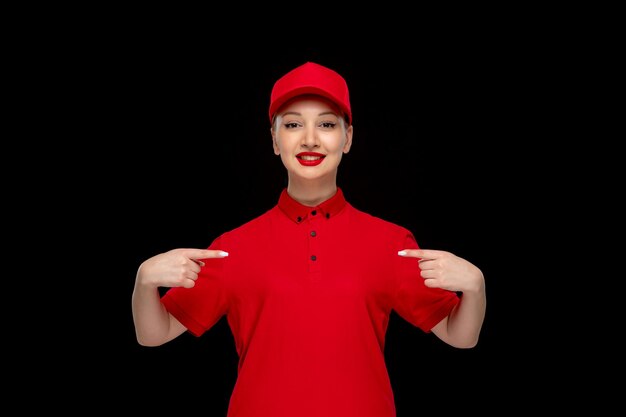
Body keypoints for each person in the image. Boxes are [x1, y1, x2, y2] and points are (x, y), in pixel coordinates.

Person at [131, 61, 486, 417]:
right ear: (274, 139)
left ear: (348, 138)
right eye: (293, 124)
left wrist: (476, 287)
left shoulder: (391, 242)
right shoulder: (231, 248)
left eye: (327, 124)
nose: (310, 139)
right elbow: (154, 334)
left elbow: (460, 335)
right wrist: (144, 281)